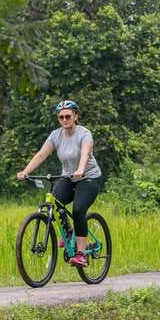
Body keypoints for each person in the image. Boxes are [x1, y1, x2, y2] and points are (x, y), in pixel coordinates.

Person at [16, 100, 102, 267]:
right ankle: (69, 232)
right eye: (61, 117)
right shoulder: (55, 135)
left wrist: (81, 169)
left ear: (75, 116)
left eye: (68, 116)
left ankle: (81, 254)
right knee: (54, 201)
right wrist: (26, 171)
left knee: (78, 210)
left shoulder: (84, 134)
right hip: (68, 177)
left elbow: (85, 152)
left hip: (88, 178)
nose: (64, 120)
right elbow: (41, 154)